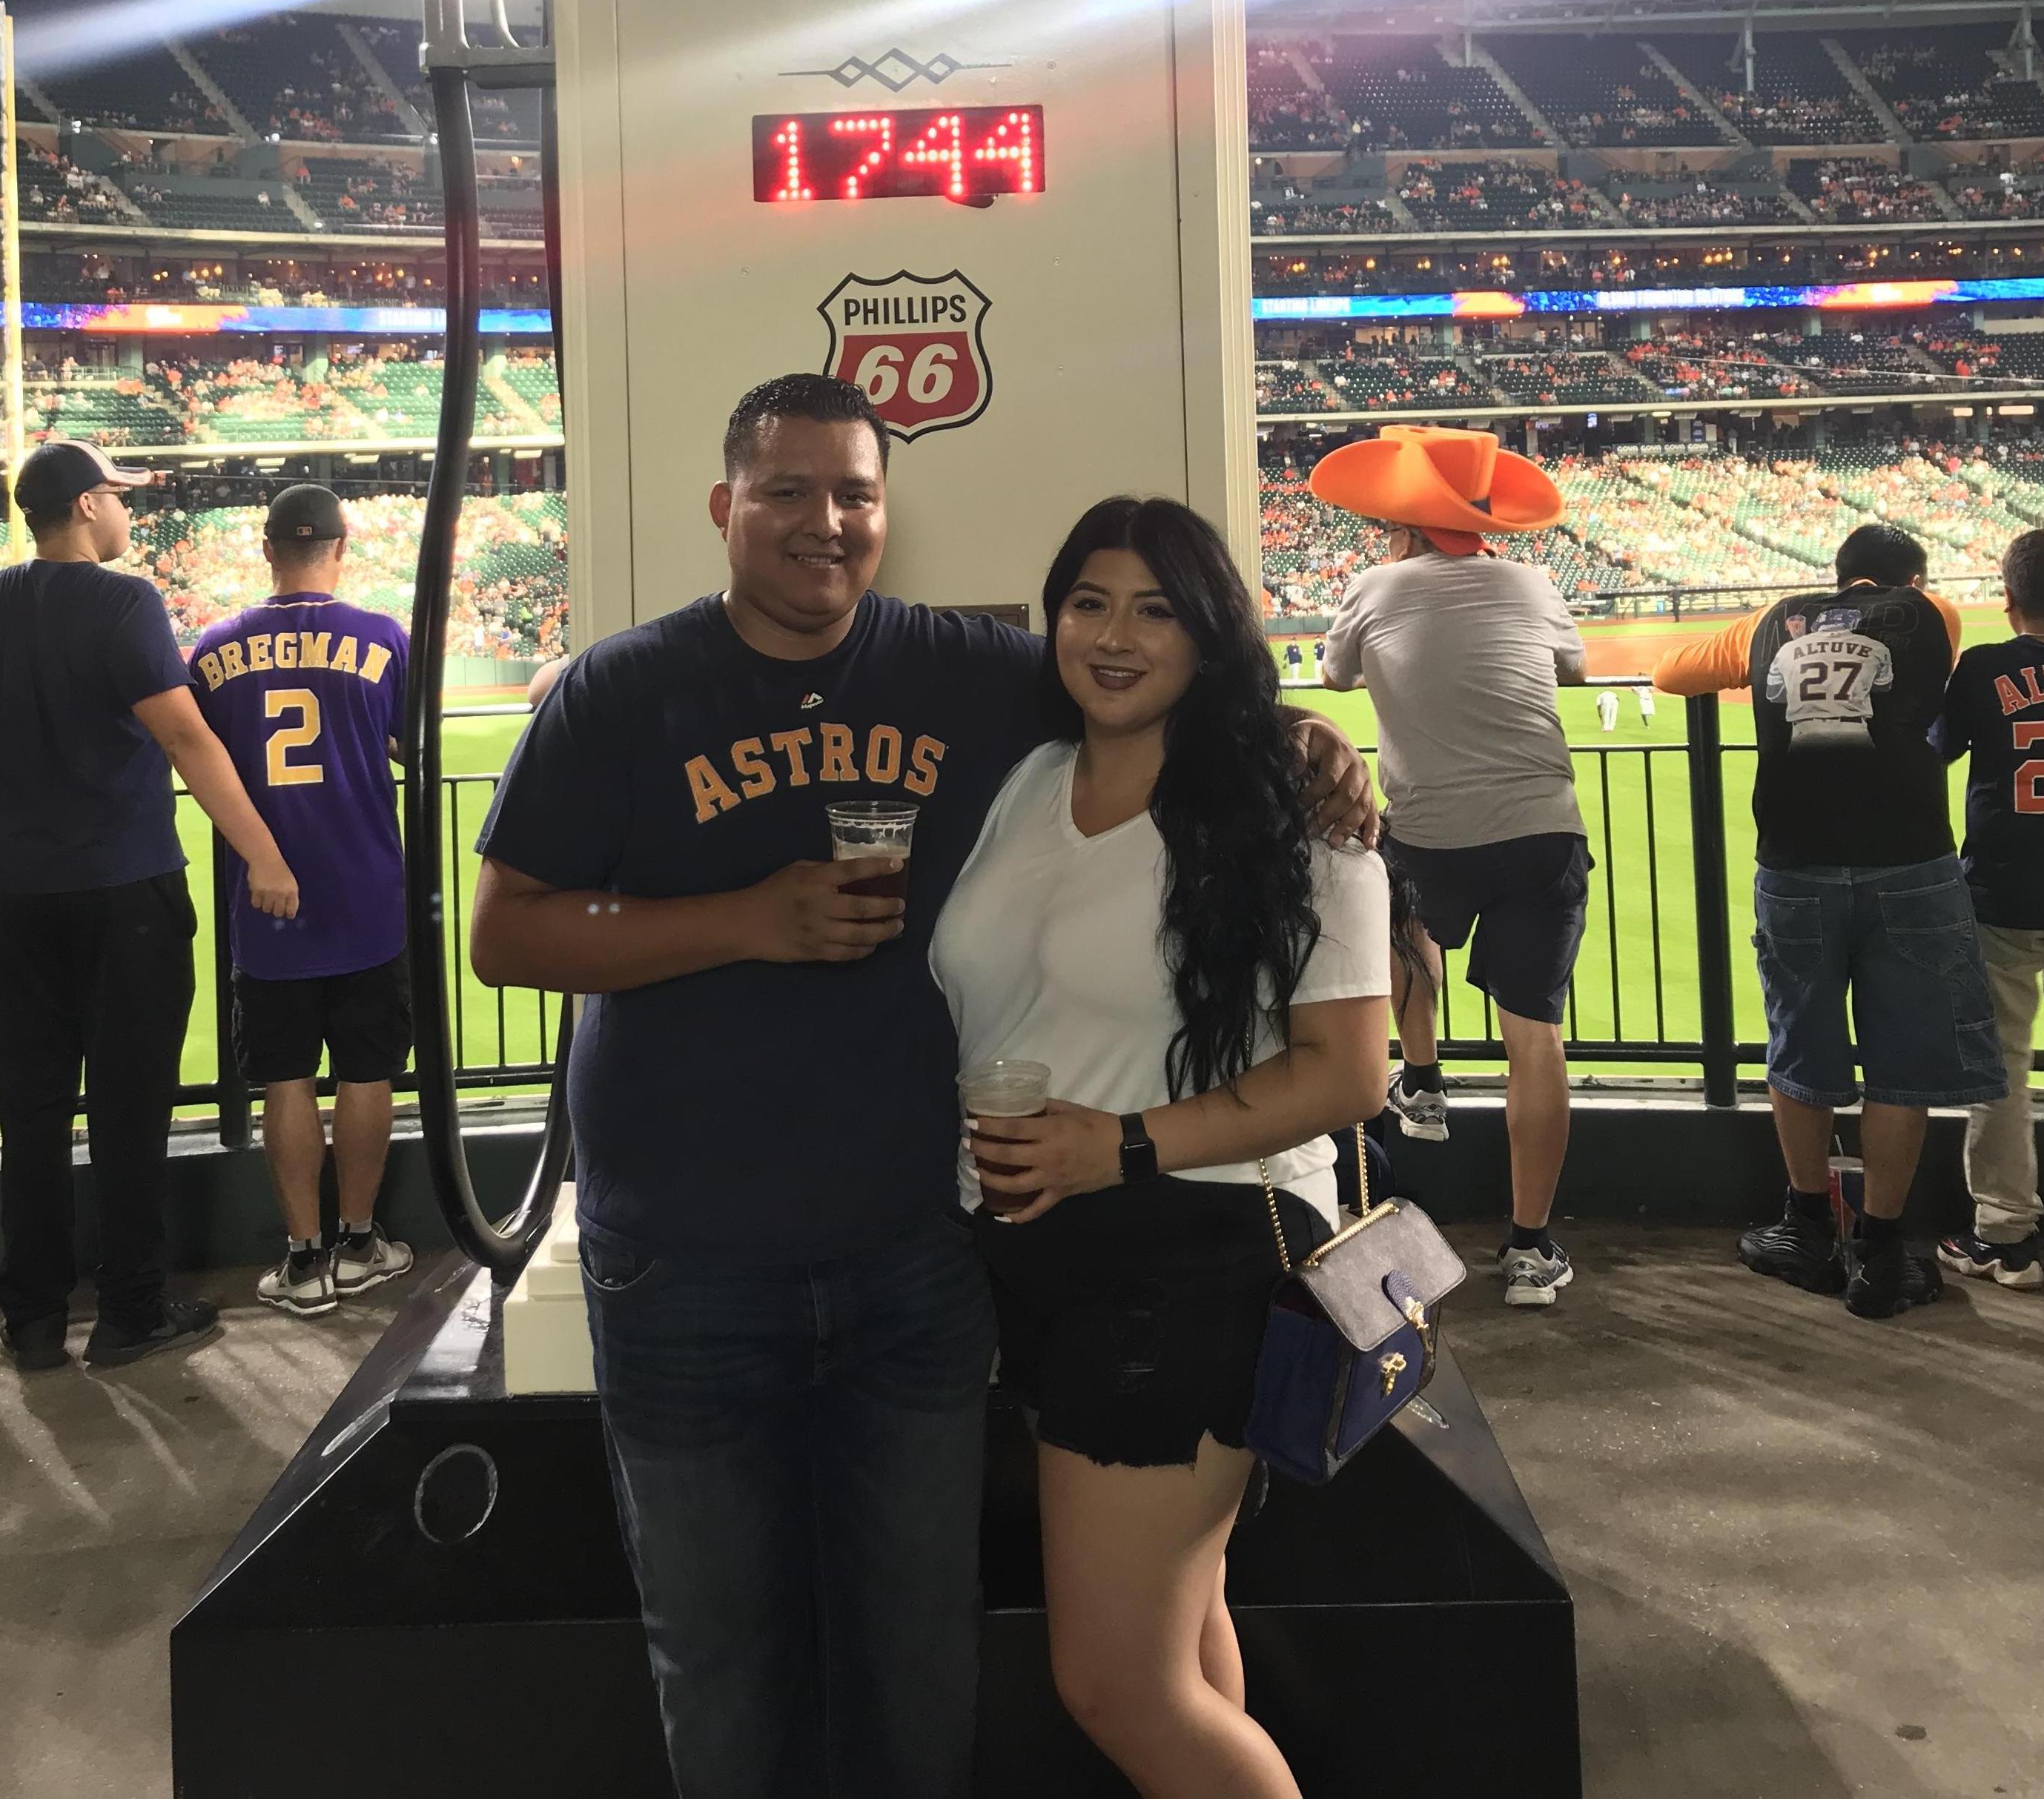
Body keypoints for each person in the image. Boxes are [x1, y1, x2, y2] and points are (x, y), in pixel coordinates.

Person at [467, 374, 1372, 1799]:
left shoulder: (974, 669)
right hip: (689, 1264)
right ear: (724, 506)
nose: (823, 524)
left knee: (919, 1659)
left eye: (854, 495)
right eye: (785, 492)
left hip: (918, 1260)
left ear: (889, 511)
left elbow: (1153, 679)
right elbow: (504, 933)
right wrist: (748, 919)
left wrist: (1300, 745)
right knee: (721, 1658)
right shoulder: (622, 689)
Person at [938, 498, 1393, 1799]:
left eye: (1158, 608)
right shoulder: (1026, 780)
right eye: (1089, 601)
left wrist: (1120, 1146)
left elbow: (1348, 1073)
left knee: (1116, 1684)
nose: (1116, 634)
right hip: (1042, 1246)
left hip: (1195, 1251)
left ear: (1214, 634)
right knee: (1186, 1639)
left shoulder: (1289, 806)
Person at [0, 438, 301, 1371]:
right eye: (118, 498)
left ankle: (32, 1319)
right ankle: (130, 1309)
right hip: (126, 894)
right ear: (84, 507)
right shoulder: (126, 601)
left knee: (30, 1114)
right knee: (129, 1109)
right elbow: (187, 740)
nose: (128, 513)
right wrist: (265, 856)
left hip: (12, 896)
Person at [1653, 523, 2005, 1319]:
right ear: (1908, 579)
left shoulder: (1771, 618)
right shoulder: (1932, 615)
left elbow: (1669, 672)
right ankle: (1881, 1252)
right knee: (1901, 1066)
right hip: (1910, 863)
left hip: (1794, 865)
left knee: (1799, 1047)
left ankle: (1805, 1225)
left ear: (1836, 573)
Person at [1315, 426, 1592, 1305]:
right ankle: (1529, 1249)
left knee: (1401, 915)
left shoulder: (1373, 584)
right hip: (1540, 829)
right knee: (1533, 1038)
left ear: (1402, 526)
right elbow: (1572, 670)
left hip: (1429, 832)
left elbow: (1334, 676)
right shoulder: (1535, 580)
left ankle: (1424, 1082)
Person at [187, 485, 414, 1316]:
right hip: (365, 889)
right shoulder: (383, 636)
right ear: (341, 548)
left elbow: (194, 747)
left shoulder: (213, 646)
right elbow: (402, 740)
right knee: (366, 1070)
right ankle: (361, 1240)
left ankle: (304, 1257)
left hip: (265, 895)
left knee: (285, 1076)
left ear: (266, 549)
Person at [1931, 526, 2044, 1290]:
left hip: (2000, 895)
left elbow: (1929, 748)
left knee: (2001, 1070)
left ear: (2008, 598)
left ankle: (2004, 1236)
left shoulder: (1984, 667)